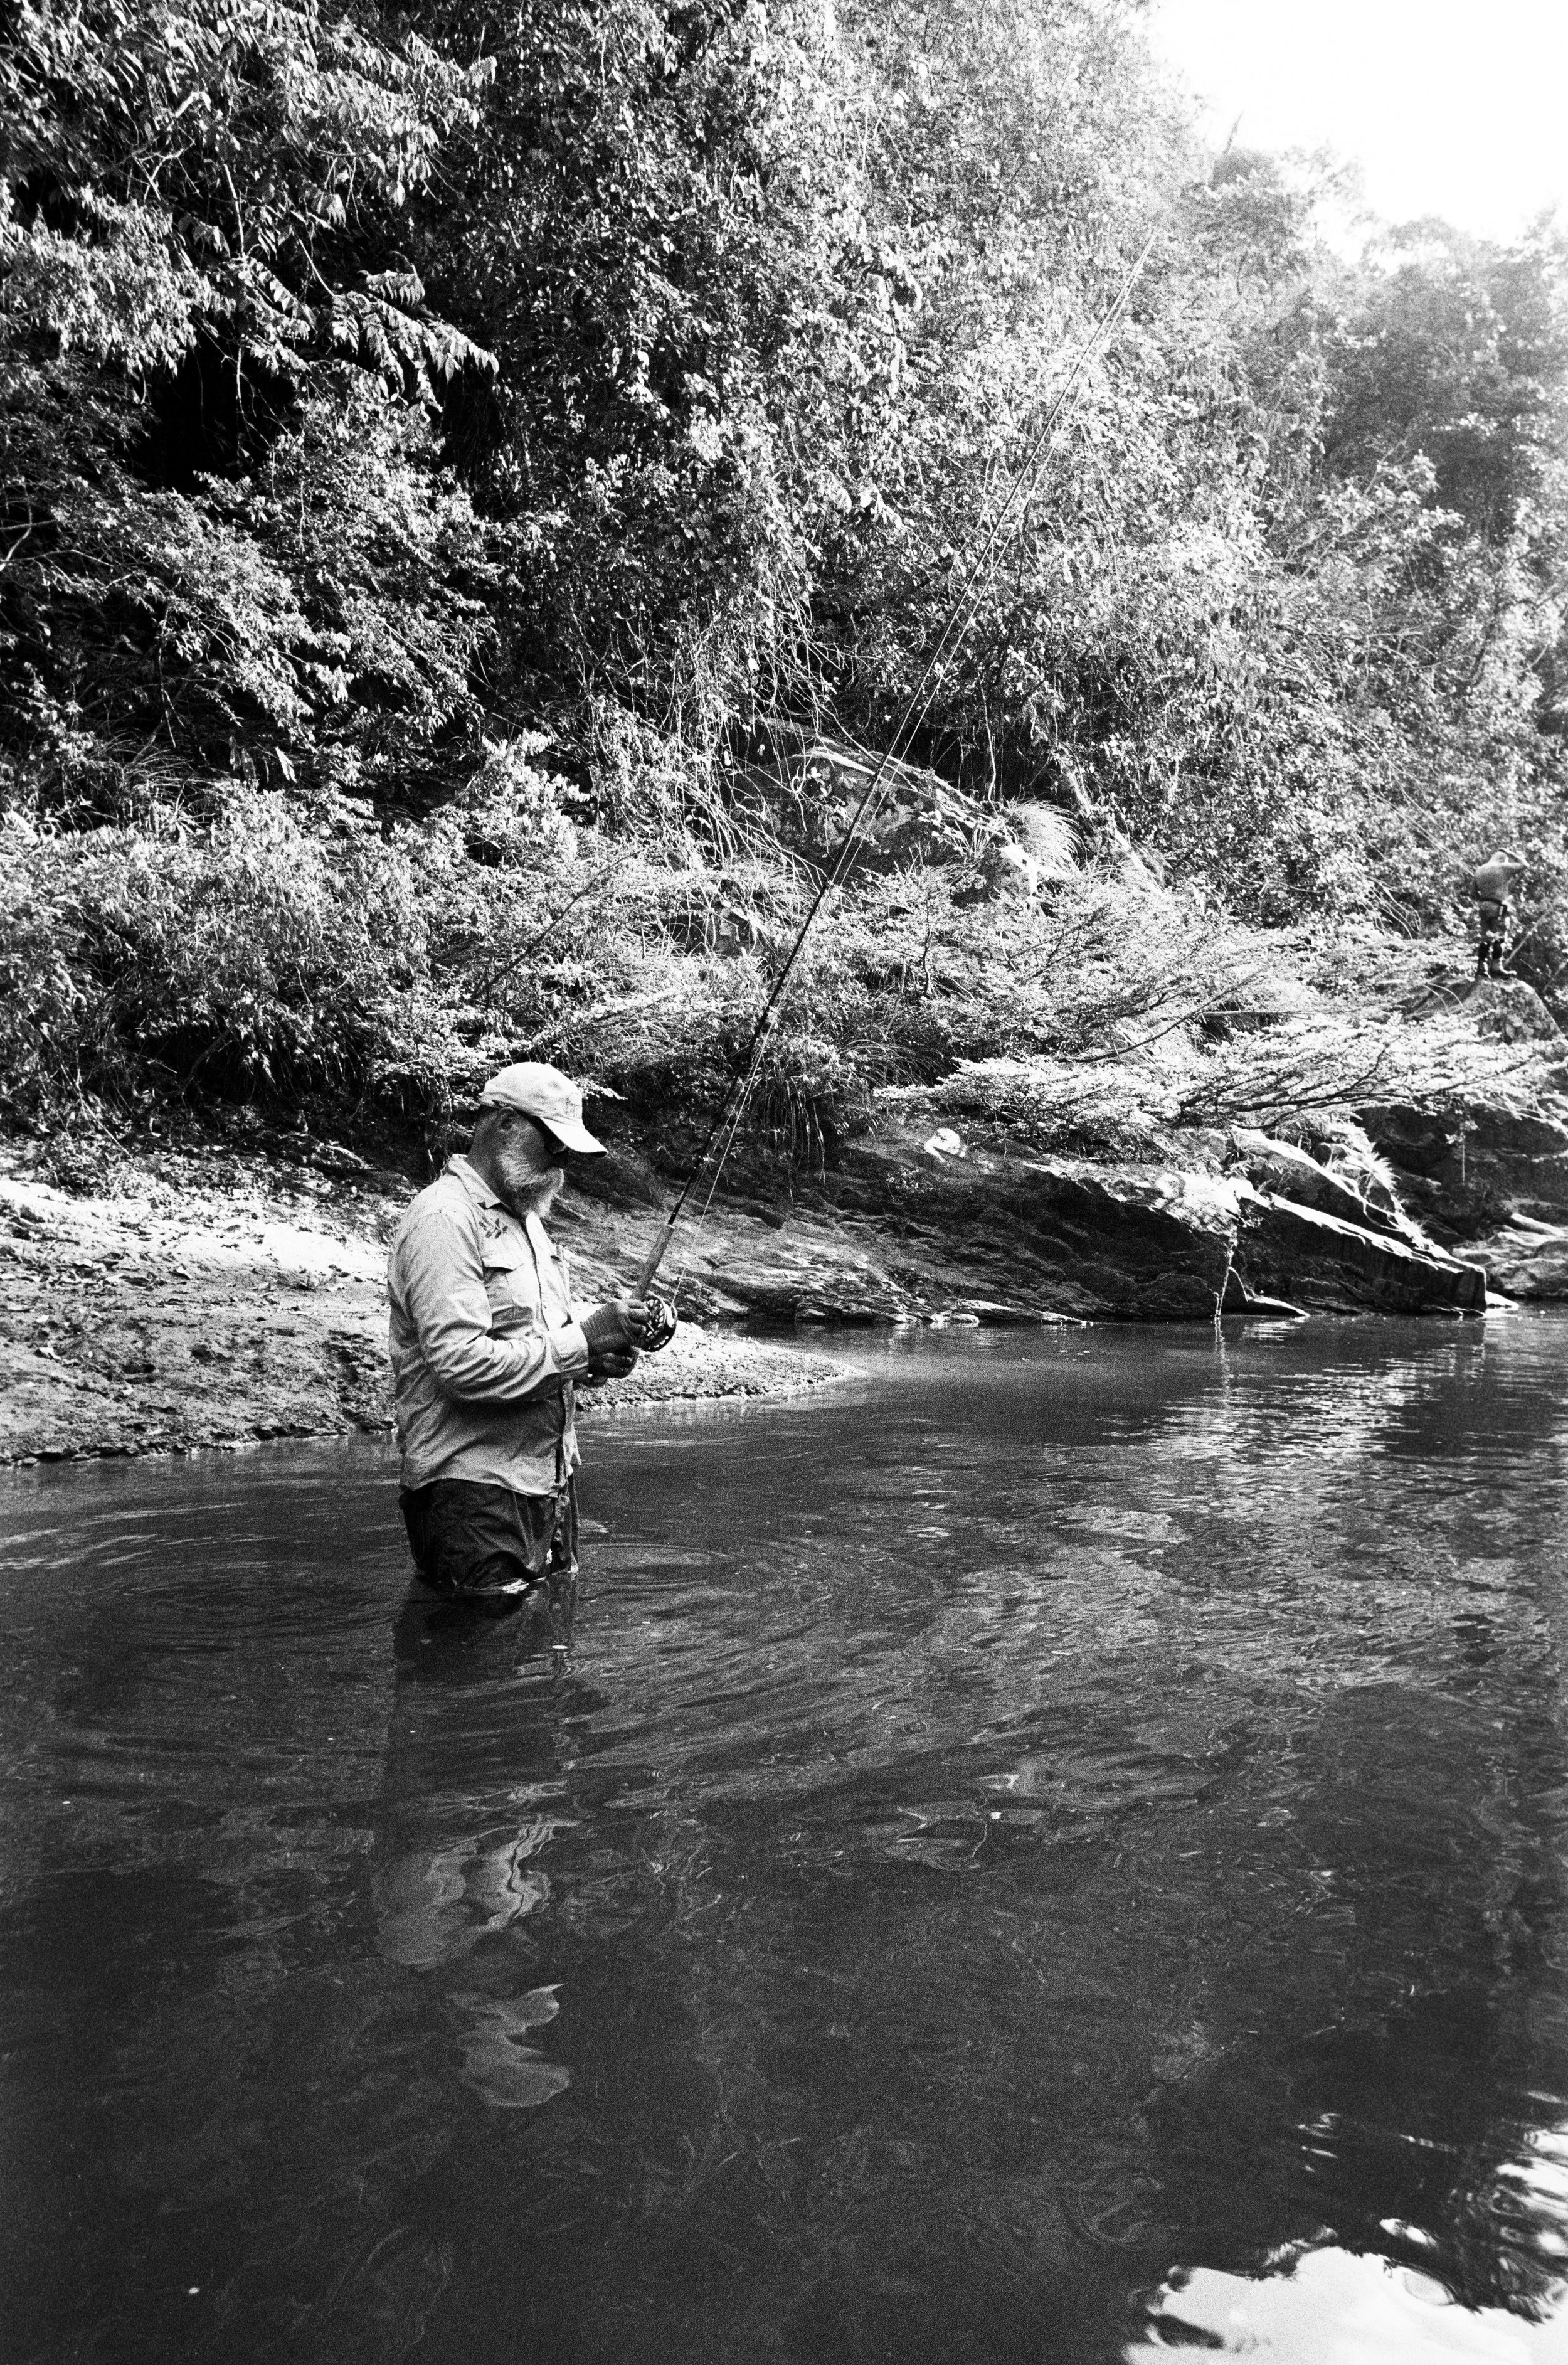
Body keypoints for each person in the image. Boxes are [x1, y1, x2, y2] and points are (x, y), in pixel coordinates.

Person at [387, 1061, 652, 1652]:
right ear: (505, 1124)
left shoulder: (528, 1224)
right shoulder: (443, 1219)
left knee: (531, 1674)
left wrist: (596, 1360)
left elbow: (542, 1348)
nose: (561, 1162)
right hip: (471, 1493)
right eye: (552, 1143)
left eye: (566, 1151)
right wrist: (584, 1341)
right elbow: (461, 1367)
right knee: (471, 1678)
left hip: (548, 1486)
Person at [1473, 849, 1527, 981]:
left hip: (1483, 907)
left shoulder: (1480, 870)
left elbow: (1473, 894)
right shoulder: (1503, 867)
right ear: (1504, 859)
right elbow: (1525, 865)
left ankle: (1481, 968)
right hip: (1498, 907)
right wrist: (1511, 852)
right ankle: (1496, 967)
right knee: (1500, 936)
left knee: (1485, 937)